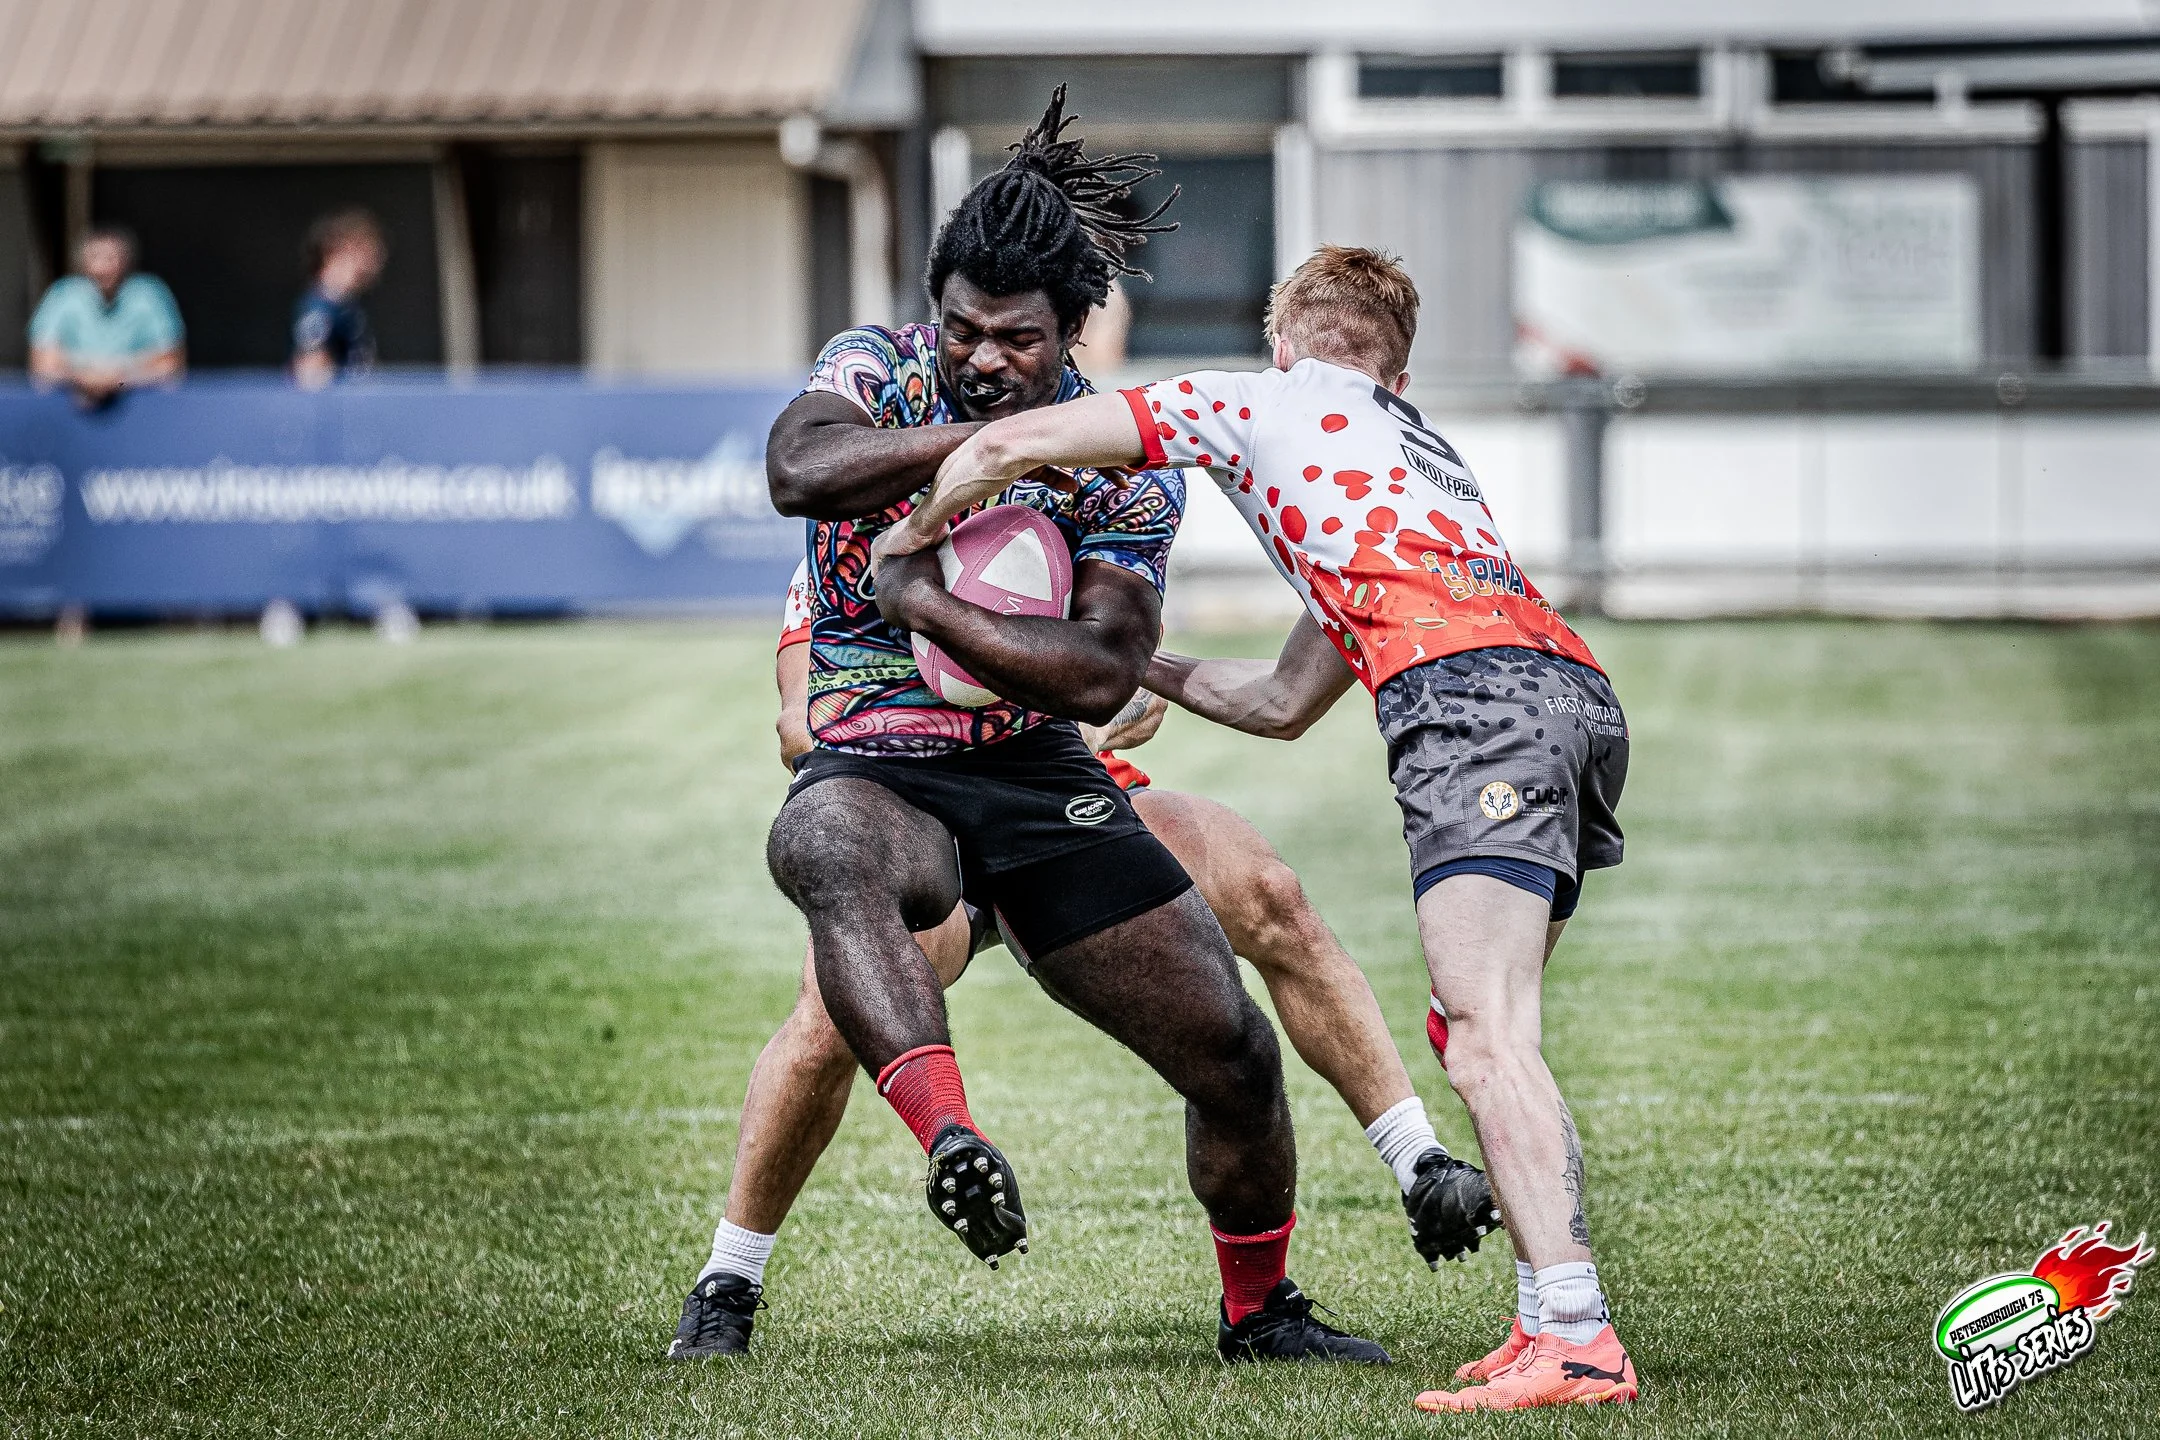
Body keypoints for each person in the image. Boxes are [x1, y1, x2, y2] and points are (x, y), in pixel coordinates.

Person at [875, 245, 1639, 1410]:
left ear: (1286, 344)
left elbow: (1003, 446)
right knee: (1483, 1026)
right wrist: (1150, 667)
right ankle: (1544, 1318)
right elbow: (1284, 704)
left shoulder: (1261, 400)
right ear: (1395, 362)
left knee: (1488, 1037)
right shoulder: (1414, 463)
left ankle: (1579, 1338)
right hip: (1570, 699)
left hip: (1472, 707)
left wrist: (915, 546)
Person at [706, 90, 1392, 1366]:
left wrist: (925, 596)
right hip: (878, 759)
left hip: (1036, 773)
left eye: (1016, 344)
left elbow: (1098, 672)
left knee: (1235, 1055)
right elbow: (798, 470)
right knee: (826, 852)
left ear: (1072, 332)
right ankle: (939, 1145)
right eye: (963, 329)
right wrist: (989, 449)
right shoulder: (878, 367)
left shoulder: (1127, 455)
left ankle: (1263, 1314)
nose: (981, 356)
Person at [667, 558, 1499, 1360]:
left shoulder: (1066, 523)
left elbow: (1126, 690)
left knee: (1268, 893)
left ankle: (1415, 1163)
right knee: (832, 1007)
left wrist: (1083, 703)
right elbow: (797, 727)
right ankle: (727, 1283)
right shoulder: (857, 545)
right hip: (917, 816)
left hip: (1068, 798)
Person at [28, 226, 184, 408]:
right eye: (95, 258)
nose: (103, 267)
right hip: (69, 415)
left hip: (145, 412)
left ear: (127, 262)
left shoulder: (149, 294)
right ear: (82, 263)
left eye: (111, 258)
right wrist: (88, 377)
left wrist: (118, 378)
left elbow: (170, 362)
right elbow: (43, 364)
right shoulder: (62, 294)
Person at [292, 209, 384, 388]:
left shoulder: (347, 306)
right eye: (362, 250)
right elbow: (310, 375)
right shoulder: (318, 308)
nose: (372, 261)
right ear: (333, 251)